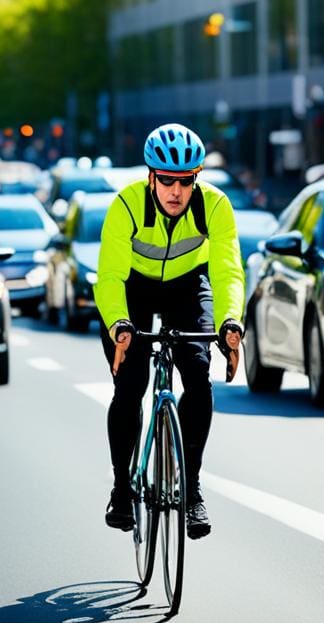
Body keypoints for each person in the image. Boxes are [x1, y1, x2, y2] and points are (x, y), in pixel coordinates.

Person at [93, 124, 245, 540]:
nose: (176, 191)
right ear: (150, 177)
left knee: (198, 377)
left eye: (185, 181)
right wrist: (119, 324)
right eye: (167, 181)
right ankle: (122, 489)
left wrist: (231, 321)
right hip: (133, 290)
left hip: (186, 287)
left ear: (196, 178)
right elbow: (109, 276)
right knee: (130, 386)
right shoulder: (125, 206)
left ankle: (191, 489)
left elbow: (228, 270)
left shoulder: (214, 205)